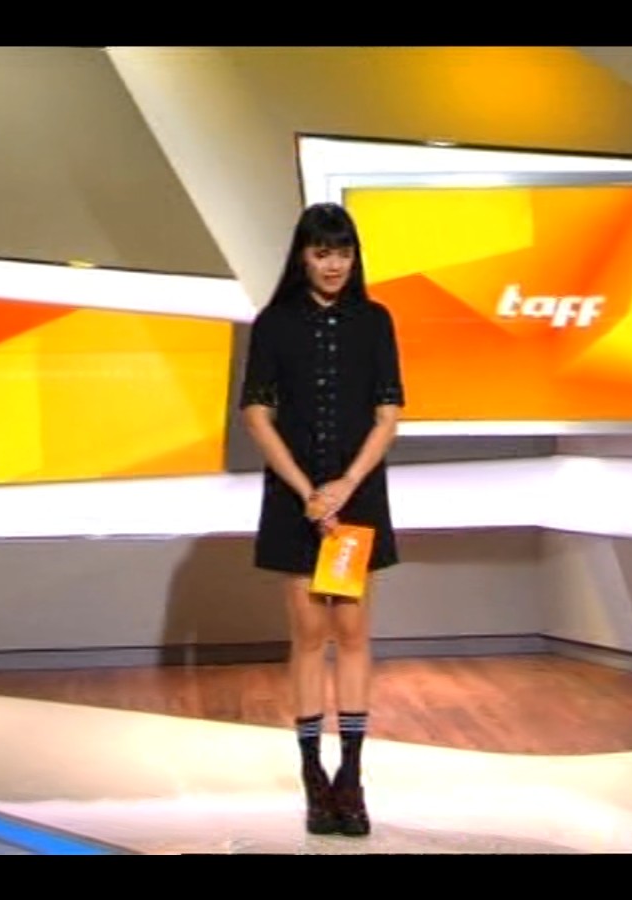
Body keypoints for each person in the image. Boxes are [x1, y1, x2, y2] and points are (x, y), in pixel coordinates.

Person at [237, 201, 405, 837]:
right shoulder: (274, 323)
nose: (334, 264)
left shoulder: (375, 321)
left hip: (356, 501)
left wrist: (344, 488)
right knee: (309, 635)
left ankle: (351, 778)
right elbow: (256, 414)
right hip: (296, 503)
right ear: (302, 256)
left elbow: (388, 414)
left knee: (353, 633)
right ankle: (313, 777)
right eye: (322, 252)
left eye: (344, 252)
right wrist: (309, 492)